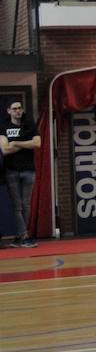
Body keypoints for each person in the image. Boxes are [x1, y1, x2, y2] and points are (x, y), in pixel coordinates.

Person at [1, 101, 40, 248]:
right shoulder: (4, 127)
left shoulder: (29, 125)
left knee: (26, 204)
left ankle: (20, 237)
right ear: (9, 111)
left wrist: (16, 143)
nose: (17, 111)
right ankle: (24, 236)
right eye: (14, 109)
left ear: (22, 110)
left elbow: (37, 143)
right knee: (17, 206)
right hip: (11, 171)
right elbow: (4, 149)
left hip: (29, 170)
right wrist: (25, 143)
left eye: (19, 108)